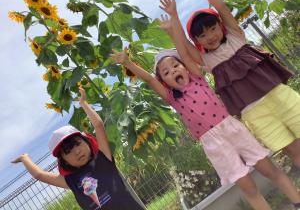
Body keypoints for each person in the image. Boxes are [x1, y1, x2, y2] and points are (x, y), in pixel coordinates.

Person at [111, 43, 300, 209]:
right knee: (248, 188)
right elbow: (150, 80)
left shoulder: (197, 78)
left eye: (175, 65)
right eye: (166, 73)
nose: (173, 71)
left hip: (232, 128)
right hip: (214, 143)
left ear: (185, 67)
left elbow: (185, 54)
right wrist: (127, 63)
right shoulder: (172, 98)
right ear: (164, 82)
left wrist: (173, 25)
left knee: (270, 171)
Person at [159, 0, 300, 172]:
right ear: (197, 41)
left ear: (221, 25)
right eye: (202, 35)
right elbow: (184, 48)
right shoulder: (207, 61)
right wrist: (174, 16)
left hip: (280, 96)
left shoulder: (235, 36)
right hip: (255, 113)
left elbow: (221, 7)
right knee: (293, 150)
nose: (210, 36)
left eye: (212, 28)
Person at [12, 87, 145, 210]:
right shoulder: (71, 180)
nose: (76, 151)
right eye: (68, 151)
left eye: (77, 143)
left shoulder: (103, 157)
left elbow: (98, 125)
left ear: (87, 141)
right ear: (64, 161)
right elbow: (39, 175)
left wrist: (83, 103)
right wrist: (25, 158)